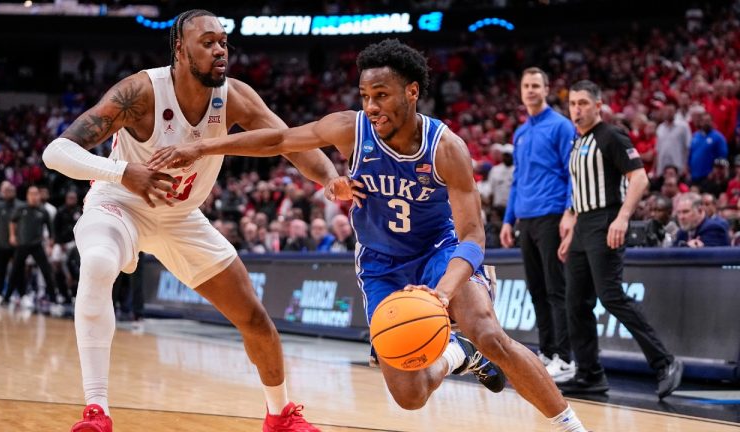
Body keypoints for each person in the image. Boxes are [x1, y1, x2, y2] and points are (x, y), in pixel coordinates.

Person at [150, 38, 589, 432]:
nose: (371, 105)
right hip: (380, 264)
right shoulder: (350, 128)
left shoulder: (445, 147)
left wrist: (442, 292)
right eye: (365, 95)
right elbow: (280, 139)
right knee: (410, 395)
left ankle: (571, 425)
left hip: (439, 251)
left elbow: (473, 233)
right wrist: (203, 146)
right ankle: (457, 353)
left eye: (381, 95)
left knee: (490, 334)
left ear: (411, 92)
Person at [41, 9, 335, 432]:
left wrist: (329, 178)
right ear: (180, 49)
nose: (220, 51)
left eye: (223, 42)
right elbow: (57, 152)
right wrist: (124, 172)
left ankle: (280, 414)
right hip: (120, 202)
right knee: (100, 263)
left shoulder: (233, 96)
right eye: (208, 42)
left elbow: (286, 141)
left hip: (180, 217)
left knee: (253, 318)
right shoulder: (140, 92)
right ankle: (97, 411)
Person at [559, 80, 683, 399]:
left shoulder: (611, 136)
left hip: (606, 220)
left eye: (584, 103)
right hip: (584, 225)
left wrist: (623, 217)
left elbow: (639, 178)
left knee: (611, 295)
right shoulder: (577, 143)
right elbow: (580, 191)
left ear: (598, 106)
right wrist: (570, 220)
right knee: (575, 302)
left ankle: (665, 362)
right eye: (573, 103)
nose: (577, 109)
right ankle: (589, 373)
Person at [500, 67, 577, 382]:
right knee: (535, 289)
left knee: (555, 289)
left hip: (552, 214)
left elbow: (572, 172)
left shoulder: (560, 126)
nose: (530, 90)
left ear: (546, 89)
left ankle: (566, 357)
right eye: (526, 85)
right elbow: (517, 179)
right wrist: (508, 220)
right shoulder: (520, 132)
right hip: (526, 219)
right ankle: (547, 351)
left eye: (536, 85)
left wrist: (570, 212)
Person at [7, 185, 59, 309]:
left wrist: (51, 244)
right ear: (27, 196)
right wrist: (12, 236)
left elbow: (51, 230)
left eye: (36, 194)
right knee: (15, 271)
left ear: (39, 196)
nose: (34, 196)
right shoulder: (21, 208)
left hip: (37, 245)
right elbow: (12, 222)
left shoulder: (43, 211)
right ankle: (6, 296)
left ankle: (54, 298)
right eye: (31, 194)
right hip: (22, 245)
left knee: (47, 271)